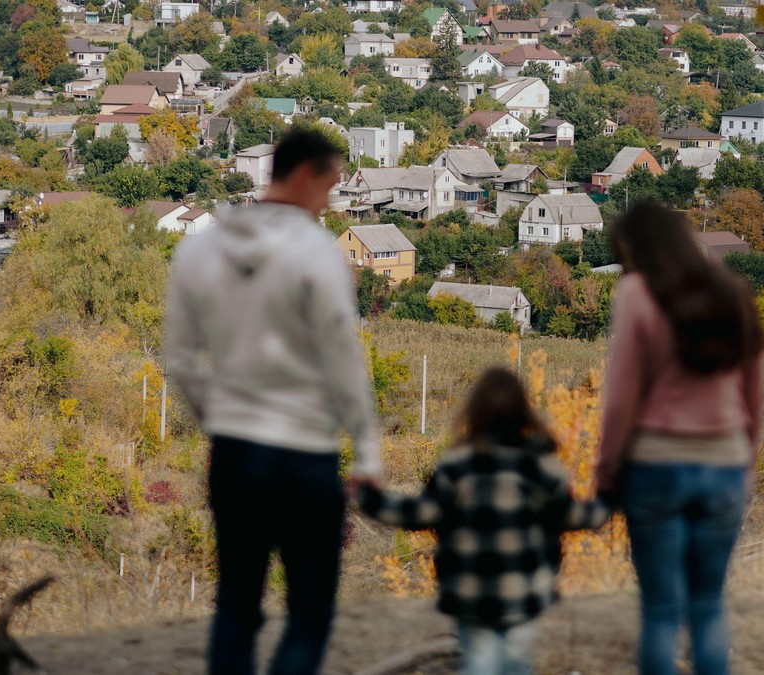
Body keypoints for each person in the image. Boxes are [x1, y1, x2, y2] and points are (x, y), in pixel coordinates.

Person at [165, 129, 380, 675]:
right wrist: (366, 450)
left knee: (237, 603)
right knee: (309, 612)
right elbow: (343, 359)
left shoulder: (201, 249)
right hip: (305, 454)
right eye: (330, 185)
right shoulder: (317, 254)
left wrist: (220, 419)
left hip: (235, 455)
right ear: (305, 175)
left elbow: (181, 360)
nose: (329, 201)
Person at [596, 201, 764, 675]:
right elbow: (755, 392)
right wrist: (744, 459)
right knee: (708, 603)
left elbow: (621, 396)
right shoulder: (732, 291)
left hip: (656, 466)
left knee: (661, 609)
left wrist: (606, 472)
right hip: (726, 465)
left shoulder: (636, 293)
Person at [356, 367, 611, 675]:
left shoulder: (456, 465)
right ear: (523, 411)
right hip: (524, 590)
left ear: (474, 411)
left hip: (470, 591)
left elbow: (421, 513)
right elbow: (574, 517)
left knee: (480, 664)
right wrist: (612, 496)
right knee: (516, 665)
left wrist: (369, 497)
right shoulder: (544, 468)